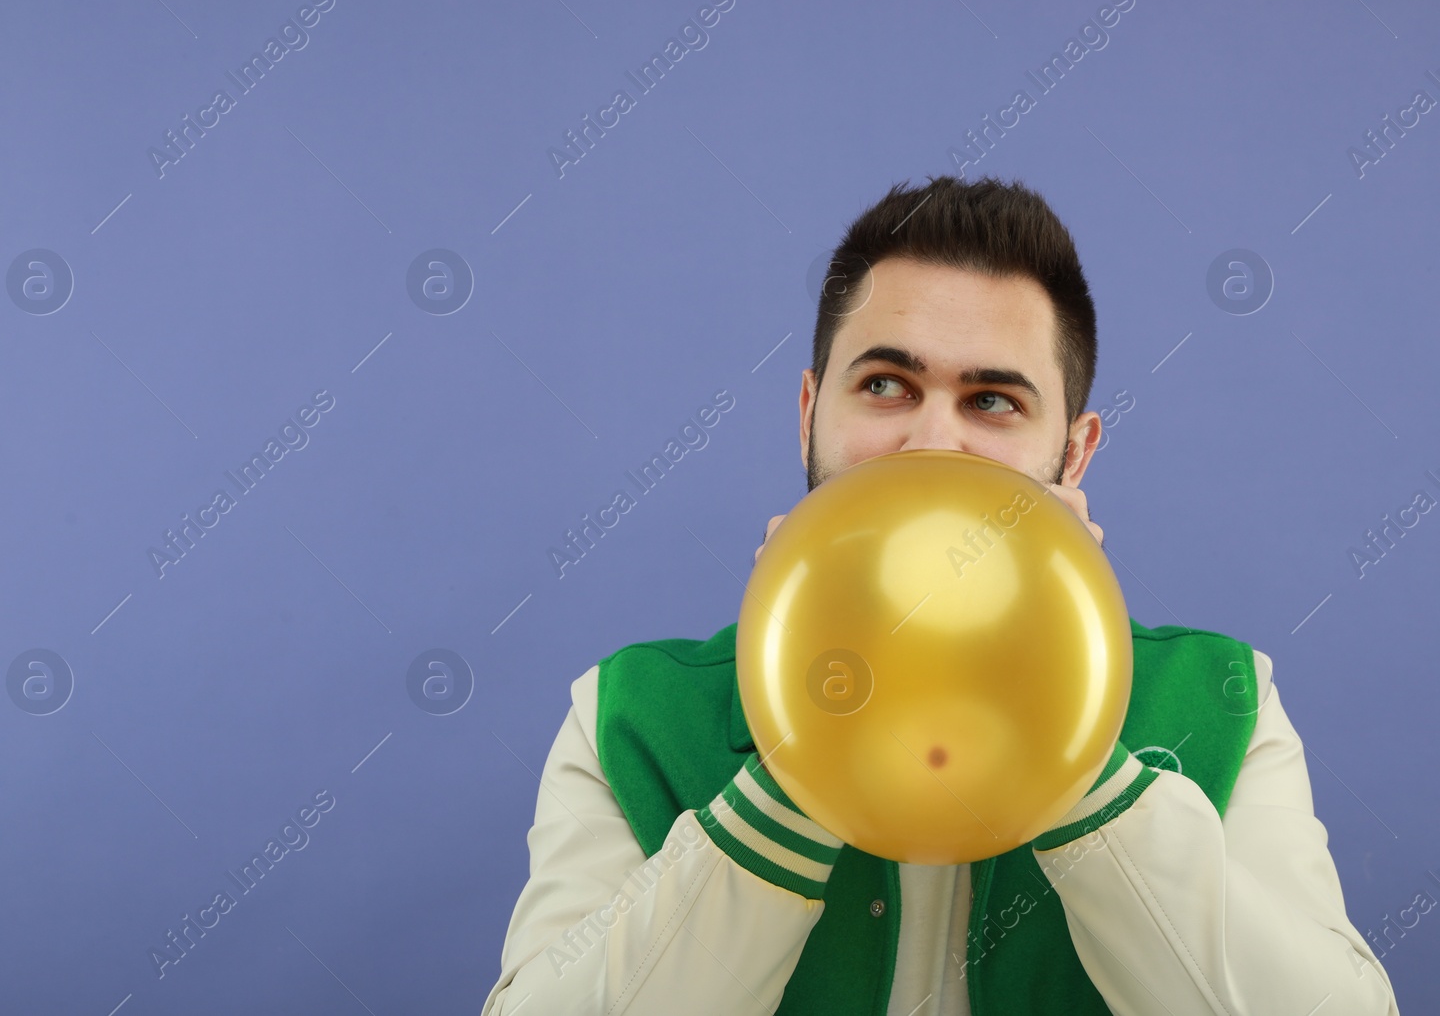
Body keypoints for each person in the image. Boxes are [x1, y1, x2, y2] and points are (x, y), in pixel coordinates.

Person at [479, 176, 1401, 1015]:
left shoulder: (1229, 697)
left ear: (1073, 455)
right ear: (810, 415)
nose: (931, 444)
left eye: (992, 401)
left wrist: (1064, 742)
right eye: (886, 384)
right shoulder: (626, 714)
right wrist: (807, 736)